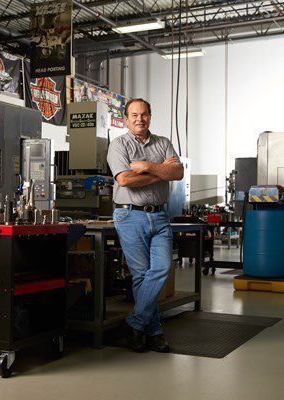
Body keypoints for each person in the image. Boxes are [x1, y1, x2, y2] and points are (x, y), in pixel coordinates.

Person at [106, 98, 184, 353]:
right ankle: (154, 333)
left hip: (160, 216)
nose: (140, 119)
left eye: (144, 114)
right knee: (141, 276)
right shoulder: (119, 145)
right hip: (130, 216)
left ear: (150, 116)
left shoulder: (163, 142)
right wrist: (161, 172)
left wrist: (147, 167)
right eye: (134, 115)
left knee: (162, 268)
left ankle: (135, 323)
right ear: (126, 119)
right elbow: (125, 179)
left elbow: (178, 173)